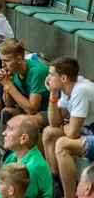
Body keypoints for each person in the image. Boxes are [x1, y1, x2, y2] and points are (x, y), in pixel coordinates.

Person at [43, 57, 94, 198]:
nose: (48, 78)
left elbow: (72, 133)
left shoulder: (81, 91)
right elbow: (54, 122)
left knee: (62, 144)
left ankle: (69, 196)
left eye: (51, 74)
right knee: (49, 132)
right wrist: (52, 94)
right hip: (89, 131)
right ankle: (55, 185)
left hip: (91, 135)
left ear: (63, 78)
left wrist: (66, 124)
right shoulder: (68, 88)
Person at [0, 115, 52, 198]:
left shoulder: (31, 170)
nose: (3, 133)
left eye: (9, 128)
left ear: (24, 138)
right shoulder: (12, 156)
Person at [0, 38, 50, 126]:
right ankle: (7, 138)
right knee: (7, 113)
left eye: (6, 60)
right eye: (1, 60)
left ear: (19, 59)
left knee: (27, 121)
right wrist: (7, 87)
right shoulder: (13, 70)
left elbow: (32, 109)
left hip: (52, 110)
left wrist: (9, 85)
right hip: (36, 107)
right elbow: (8, 103)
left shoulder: (37, 72)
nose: (2, 65)